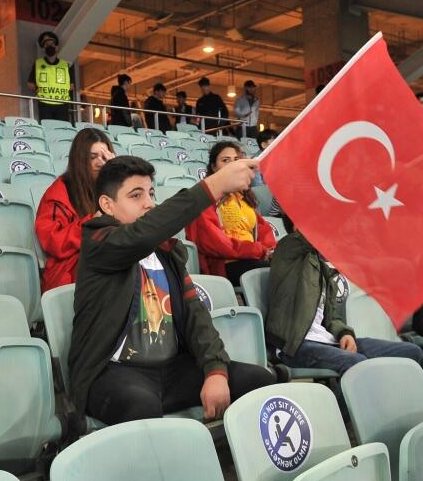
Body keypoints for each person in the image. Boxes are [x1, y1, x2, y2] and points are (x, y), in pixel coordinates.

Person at [68, 155, 276, 425]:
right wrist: (214, 185)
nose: (149, 203)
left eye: (151, 193)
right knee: (140, 405)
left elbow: (195, 315)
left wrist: (215, 370)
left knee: (259, 380)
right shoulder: (98, 243)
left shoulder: (166, 253)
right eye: (136, 195)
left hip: (172, 369)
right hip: (112, 371)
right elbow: (140, 235)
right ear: (107, 205)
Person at [265, 222, 423, 374]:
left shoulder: (324, 270)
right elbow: (313, 235)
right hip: (296, 345)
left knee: (411, 352)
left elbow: (332, 317)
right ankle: (347, 395)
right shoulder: (287, 250)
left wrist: (344, 334)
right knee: (357, 363)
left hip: (328, 340)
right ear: (297, 227)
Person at [35, 128, 115, 292]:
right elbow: (53, 242)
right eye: (92, 157)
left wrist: (117, 170)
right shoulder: (60, 192)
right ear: (80, 160)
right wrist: (91, 224)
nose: (100, 162)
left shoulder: (112, 187)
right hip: (69, 272)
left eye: (104, 157)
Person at [186, 141, 276, 285]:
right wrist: (258, 250)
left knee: (288, 267)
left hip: (253, 258)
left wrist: (269, 250)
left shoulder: (244, 196)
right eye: (225, 160)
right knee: (276, 272)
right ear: (214, 167)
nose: (232, 165)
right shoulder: (206, 199)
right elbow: (215, 244)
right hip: (225, 264)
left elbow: (264, 230)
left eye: (236, 160)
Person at [27, 31, 75, 123]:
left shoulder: (65, 65)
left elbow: (71, 86)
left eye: (52, 44)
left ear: (57, 47)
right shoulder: (38, 63)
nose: (49, 46)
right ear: (44, 47)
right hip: (45, 104)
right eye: (46, 45)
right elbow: (30, 84)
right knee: (48, 128)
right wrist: (40, 90)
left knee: (62, 128)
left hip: (62, 104)